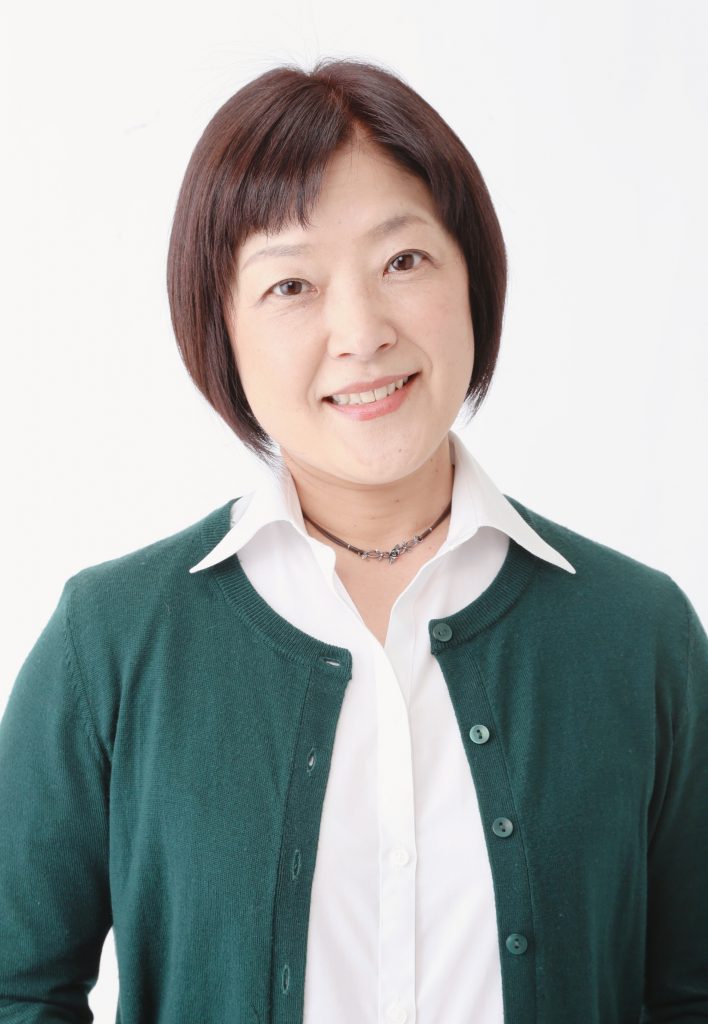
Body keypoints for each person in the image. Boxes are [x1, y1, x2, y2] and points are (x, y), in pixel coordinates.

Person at [0, 57, 706, 1024]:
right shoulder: (114, 641)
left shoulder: (639, 635)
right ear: (221, 329)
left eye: (403, 261)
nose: (361, 331)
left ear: (474, 276)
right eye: (291, 284)